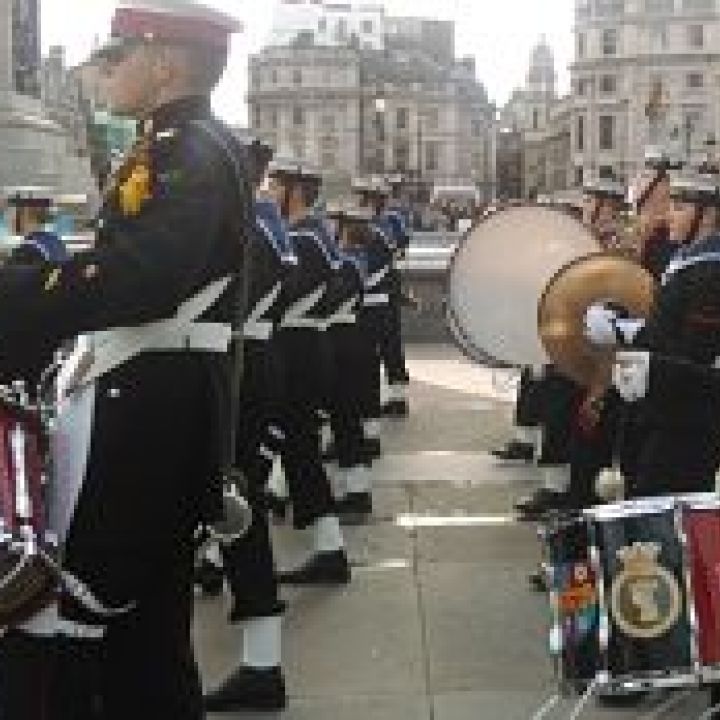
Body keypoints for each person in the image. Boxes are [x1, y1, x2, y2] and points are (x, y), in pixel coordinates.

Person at [0, 3, 252, 718]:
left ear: (163, 63)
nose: (109, 71)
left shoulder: (189, 149)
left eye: (122, 56)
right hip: (156, 399)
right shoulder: (181, 141)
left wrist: (19, 296)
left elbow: (141, 276)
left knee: (83, 614)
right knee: (145, 636)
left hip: (145, 409)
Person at [266, 158, 352, 586]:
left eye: (274, 185)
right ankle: (327, 546)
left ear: (294, 191)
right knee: (296, 449)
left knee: (295, 449)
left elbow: (276, 296)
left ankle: (329, 551)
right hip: (306, 345)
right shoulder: (315, 236)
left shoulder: (303, 239)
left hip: (296, 350)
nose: (267, 192)